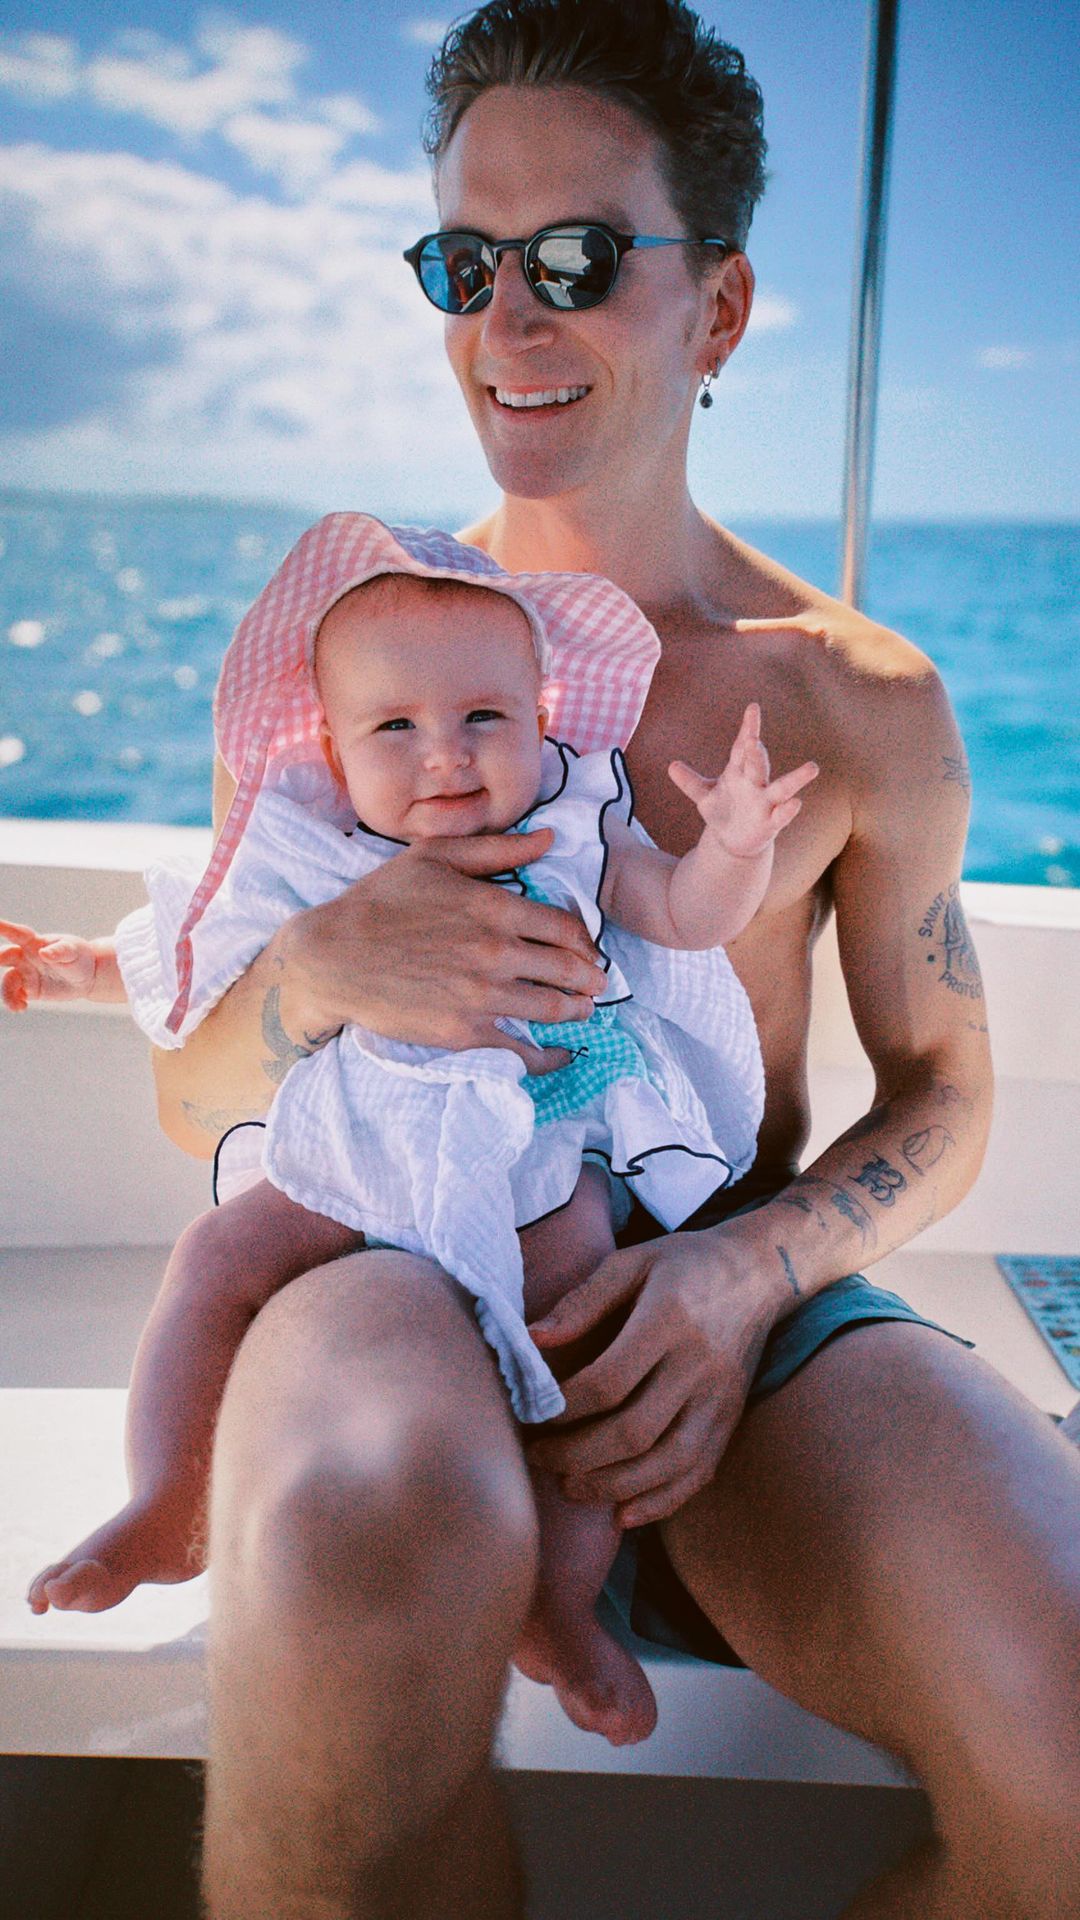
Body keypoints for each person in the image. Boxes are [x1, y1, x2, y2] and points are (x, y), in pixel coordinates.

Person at [51, 1, 1080, 1913]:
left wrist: (742, 1273)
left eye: (579, 258)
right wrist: (322, 970)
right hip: (387, 1259)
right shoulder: (350, 669)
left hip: (724, 1310)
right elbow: (198, 1094)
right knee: (352, 1546)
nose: (509, 320)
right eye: (467, 264)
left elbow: (945, 1092)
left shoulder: (861, 702)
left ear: (723, 304)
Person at [11, 527, 819, 1751]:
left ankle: (557, 1599)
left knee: (580, 1340)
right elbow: (209, 956)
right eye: (394, 727)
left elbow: (686, 916)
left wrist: (735, 849)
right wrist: (76, 967)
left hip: (540, 1151)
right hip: (368, 1137)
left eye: (484, 717)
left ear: (542, 717)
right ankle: (167, 1502)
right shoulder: (314, 844)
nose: (446, 753)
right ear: (332, 747)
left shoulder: (577, 822)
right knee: (216, 1261)